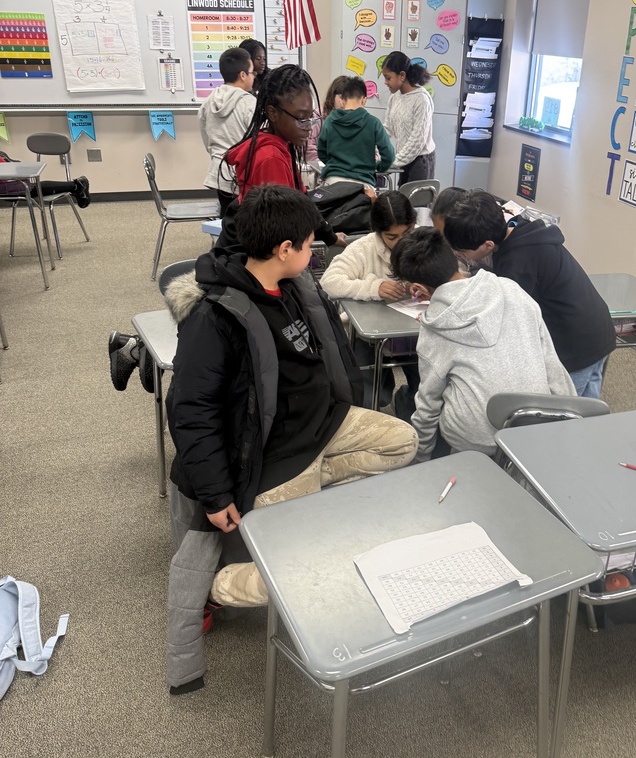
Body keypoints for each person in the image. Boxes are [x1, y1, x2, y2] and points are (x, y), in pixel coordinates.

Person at [164, 185, 418, 691]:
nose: (314, 252)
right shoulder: (214, 319)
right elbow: (191, 411)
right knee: (300, 579)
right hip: (275, 455)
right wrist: (216, 495)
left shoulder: (296, 285)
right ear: (284, 250)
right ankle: (216, 587)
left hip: (324, 425)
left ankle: (315, 483)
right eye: (308, 244)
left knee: (403, 442)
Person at [390, 227, 575, 462]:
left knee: (426, 402)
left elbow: (428, 403)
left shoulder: (434, 328)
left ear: (419, 288)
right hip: (533, 426)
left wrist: (421, 460)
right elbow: (552, 364)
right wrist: (567, 424)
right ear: (454, 258)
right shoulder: (511, 289)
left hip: (476, 440)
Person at [443, 190, 616, 398]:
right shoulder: (518, 225)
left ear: (488, 245)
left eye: (462, 252)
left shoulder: (517, 264)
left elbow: (506, 322)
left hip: (575, 345)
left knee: (565, 417)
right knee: (588, 414)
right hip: (597, 328)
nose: (459, 255)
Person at [218, 63, 344, 248]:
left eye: (310, 117)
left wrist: (328, 235)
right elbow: (278, 231)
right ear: (273, 113)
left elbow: (301, 201)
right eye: (301, 118)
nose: (309, 126)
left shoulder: (282, 145)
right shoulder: (270, 158)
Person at [320, 190, 418, 411]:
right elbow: (329, 282)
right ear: (378, 232)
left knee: (426, 385)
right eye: (392, 237)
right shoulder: (363, 248)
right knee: (373, 396)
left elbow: (450, 275)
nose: (400, 242)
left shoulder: (422, 240)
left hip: (415, 331)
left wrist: (427, 286)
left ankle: (411, 401)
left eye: (407, 233)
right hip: (371, 335)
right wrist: (374, 288)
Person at [199, 47, 256, 214]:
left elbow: (206, 137)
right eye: (252, 72)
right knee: (248, 223)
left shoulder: (208, 101)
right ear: (243, 75)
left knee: (227, 219)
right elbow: (258, 139)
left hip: (219, 172)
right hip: (243, 174)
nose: (253, 77)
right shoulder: (249, 103)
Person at [317, 75, 394, 188]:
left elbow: (321, 151)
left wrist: (333, 164)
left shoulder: (330, 121)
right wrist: (378, 167)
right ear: (364, 100)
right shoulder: (373, 123)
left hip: (333, 182)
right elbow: (389, 155)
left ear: (342, 100)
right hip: (363, 184)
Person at [381, 51, 435, 186]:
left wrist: (393, 162)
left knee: (417, 206)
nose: (385, 82)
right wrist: (373, 148)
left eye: (388, 78)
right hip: (404, 158)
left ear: (402, 75)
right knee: (403, 204)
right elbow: (387, 128)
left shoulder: (421, 99)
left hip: (420, 161)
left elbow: (417, 140)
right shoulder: (394, 97)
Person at [305, 74, 347, 168]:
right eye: (341, 97)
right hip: (322, 168)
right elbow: (308, 148)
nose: (345, 102)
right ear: (333, 96)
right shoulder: (318, 116)